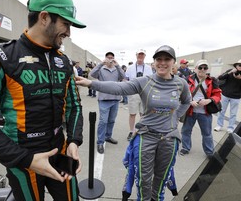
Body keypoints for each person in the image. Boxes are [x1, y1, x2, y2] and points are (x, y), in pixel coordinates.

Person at [0, 0, 85, 201]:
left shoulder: (63, 61)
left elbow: (75, 106)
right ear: (44, 17)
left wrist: (74, 141)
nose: (69, 31)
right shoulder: (0, 57)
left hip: (61, 151)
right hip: (23, 159)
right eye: (65, 24)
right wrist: (25, 159)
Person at [76, 45, 191, 201]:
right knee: (143, 178)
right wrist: (91, 84)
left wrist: (175, 116)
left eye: (167, 59)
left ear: (173, 62)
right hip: (147, 137)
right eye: (159, 59)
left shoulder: (181, 83)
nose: (162, 63)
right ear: (154, 62)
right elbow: (119, 87)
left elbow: (186, 101)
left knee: (162, 177)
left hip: (169, 138)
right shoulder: (144, 81)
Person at [180, 60, 222, 157]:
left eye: (205, 68)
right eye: (200, 67)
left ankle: (209, 152)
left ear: (207, 69)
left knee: (207, 133)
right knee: (186, 131)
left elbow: (218, 95)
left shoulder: (212, 80)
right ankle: (185, 148)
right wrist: (190, 101)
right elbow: (181, 94)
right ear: (195, 69)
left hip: (205, 112)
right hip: (190, 111)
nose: (202, 70)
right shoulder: (187, 79)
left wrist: (209, 100)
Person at [89, 52, 125, 154]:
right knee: (103, 121)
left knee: (111, 120)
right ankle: (100, 142)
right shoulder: (101, 69)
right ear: (105, 58)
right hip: (104, 99)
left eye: (111, 58)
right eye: (108, 58)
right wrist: (101, 64)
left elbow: (123, 76)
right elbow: (92, 74)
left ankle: (108, 136)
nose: (110, 59)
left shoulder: (116, 69)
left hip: (115, 98)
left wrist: (117, 65)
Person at [125, 49, 153, 141]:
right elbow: (126, 79)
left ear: (145, 56)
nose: (140, 56)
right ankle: (131, 131)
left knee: (143, 114)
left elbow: (151, 81)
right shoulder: (130, 68)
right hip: (133, 93)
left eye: (142, 55)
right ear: (136, 55)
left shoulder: (148, 68)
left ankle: (141, 130)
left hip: (144, 93)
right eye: (139, 55)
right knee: (132, 113)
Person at [214, 59, 241, 133]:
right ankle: (219, 125)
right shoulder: (230, 71)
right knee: (221, 111)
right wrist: (230, 72)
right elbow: (220, 77)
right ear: (236, 65)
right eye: (239, 65)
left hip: (236, 97)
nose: (240, 67)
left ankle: (230, 127)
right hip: (225, 95)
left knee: (233, 113)